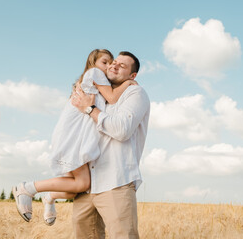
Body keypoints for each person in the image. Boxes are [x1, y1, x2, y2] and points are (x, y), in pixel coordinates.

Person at [12, 49, 137, 226]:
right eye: (105, 62)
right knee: (82, 183)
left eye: (111, 62)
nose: (109, 66)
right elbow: (113, 98)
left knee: (73, 189)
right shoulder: (95, 73)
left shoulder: (95, 80)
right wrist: (129, 83)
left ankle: (49, 198)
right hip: (74, 135)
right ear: (93, 64)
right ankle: (27, 188)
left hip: (78, 134)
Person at [71, 51, 150, 239]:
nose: (114, 65)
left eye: (122, 65)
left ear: (133, 76)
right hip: (87, 184)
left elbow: (122, 130)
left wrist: (90, 109)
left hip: (116, 181)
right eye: (114, 62)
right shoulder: (97, 93)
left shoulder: (135, 92)